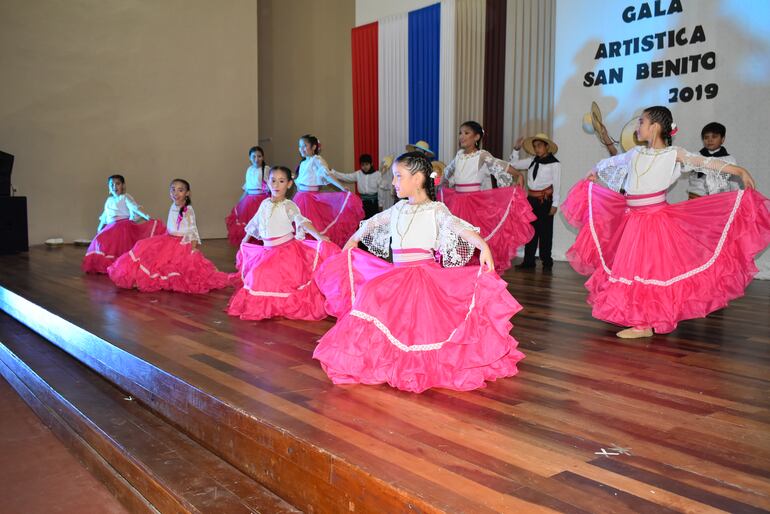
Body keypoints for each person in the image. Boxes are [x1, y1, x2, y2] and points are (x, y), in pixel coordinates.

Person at [312, 152, 525, 393]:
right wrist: (352, 240)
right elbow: (373, 222)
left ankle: (419, 364)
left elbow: (458, 226)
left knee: (421, 324)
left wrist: (483, 245)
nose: (393, 182)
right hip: (396, 273)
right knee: (370, 293)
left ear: (417, 178)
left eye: (398, 176)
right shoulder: (398, 208)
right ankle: (374, 357)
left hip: (423, 275)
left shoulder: (436, 209)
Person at [563, 106, 770, 338]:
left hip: (655, 221)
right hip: (633, 220)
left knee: (649, 271)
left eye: (641, 122)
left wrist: (738, 170)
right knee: (635, 272)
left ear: (655, 127)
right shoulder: (636, 154)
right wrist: (594, 172)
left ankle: (645, 323)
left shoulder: (674, 153)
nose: (637, 126)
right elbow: (612, 162)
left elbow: (704, 162)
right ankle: (642, 322)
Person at [226, 166, 340, 320]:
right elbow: (255, 223)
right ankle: (268, 305)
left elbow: (301, 221)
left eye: (281, 181)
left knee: (272, 278)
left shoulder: (288, 205)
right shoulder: (264, 203)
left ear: (289, 184)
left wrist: (318, 236)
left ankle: (280, 305)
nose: (276, 185)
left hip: (285, 251)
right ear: (267, 182)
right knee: (255, 276)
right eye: (273, 180)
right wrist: (244, 242)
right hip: (267, 252)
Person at [108, 179, 234, 294]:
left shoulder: (188, 210)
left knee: (180, 267)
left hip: (181, 243)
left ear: (187, 193)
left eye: (180, 190)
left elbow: (192, 230)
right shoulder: (173, 205)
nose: (176, 193)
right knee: (146, 250)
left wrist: (193, 247)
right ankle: (138, 278)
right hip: (168, 239)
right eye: (173, 189)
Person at [438, 121, 533, 272]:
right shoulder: (459, 155)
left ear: (476, 137)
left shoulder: (481, 155)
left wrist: (517, 174)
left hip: (475, 202)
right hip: (457, 201)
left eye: (466, 133)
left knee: (476, 235)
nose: (462, 136)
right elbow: (448, 171)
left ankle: (479, 268)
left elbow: (499, 164)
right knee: (458, 236)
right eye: (460, 133)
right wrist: (442, 181)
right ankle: (461, 268)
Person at [292, 134, 365, 247]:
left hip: (310, 200)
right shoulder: (303, 163)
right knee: (299, 226)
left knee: (312, 226)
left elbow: (326, 174)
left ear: (314, 147)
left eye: (304, 146)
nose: (301, 149)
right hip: (300, 198)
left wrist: (341, 186)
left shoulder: (316, 160)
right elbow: (300, 181)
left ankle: (314, 252)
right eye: (299, 146)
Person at [82, 174, 164, 274]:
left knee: (120, 246)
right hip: (111, 226)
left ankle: (120, 266)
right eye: (111, 184)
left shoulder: (125, 197)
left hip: (123, 226)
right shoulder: (109, 200)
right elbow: (105, 215)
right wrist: (99, 227)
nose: (114, 187)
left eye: (117, 184)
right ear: (108, 187)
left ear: (123, 186)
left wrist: (146, 216)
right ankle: (106, 265)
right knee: (100, 240)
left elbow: (134, 208)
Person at [509, 133, 562, 271]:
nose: (537, 149)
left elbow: (557, 184)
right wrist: (516, 149)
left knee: (545, 232)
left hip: (545, 200)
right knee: (530, 230)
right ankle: (528, 261)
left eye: (539, 146)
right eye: (535, 146)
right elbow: (514, 164)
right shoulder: (532, 160)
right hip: (531, 200)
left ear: (547, 147)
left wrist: (555, 204)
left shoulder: (554, 164)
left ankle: (546, 261)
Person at [225, 146, 269, 246]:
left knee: (259, 224)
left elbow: (270, 186)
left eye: (259, 156)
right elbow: (247, 189)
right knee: (247, 225)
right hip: (248, 201)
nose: (256, 159)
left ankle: (260, 248)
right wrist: (240, 202)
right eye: (254, 156)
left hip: (261, 200)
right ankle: (248, 247)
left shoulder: (266, 169)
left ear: (263, 157)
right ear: (249, 158)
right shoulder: (249, 170)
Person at [687, 122, 741, 199]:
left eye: (714, 137)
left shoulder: (729, 160)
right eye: (706, 137)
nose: (710, 140)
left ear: (722, 139)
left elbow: (734, 182)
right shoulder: (695, 156)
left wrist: (737, 198)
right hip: (696, 198)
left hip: (720, 200)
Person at [331, 154, 382, 219]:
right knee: (362, 221)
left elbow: (381, 190)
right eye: (362, 165)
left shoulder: (377, 174)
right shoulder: (358, 174)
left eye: (366, 164)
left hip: (373, 203)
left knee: (374, 222)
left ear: (371, 164)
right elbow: (345, 176)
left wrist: (381, 204)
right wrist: (333, 172)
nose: (365, 167)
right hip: (362, 202)